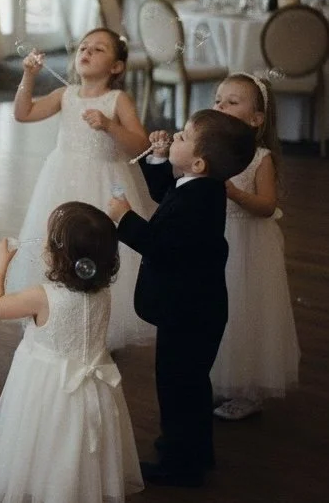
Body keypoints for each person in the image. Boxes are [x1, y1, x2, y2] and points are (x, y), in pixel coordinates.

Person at [107, 109, 257, 488]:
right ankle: (193, 449)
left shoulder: (200, 202)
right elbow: (164, 192)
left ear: (199, 162)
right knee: (188, 384)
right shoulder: (198, 186)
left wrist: (124, 218)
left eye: (183, 137)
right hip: (194, 309)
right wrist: (159, 158)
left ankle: (180, 465)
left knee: (177, 387)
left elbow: (161, 246)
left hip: (189, 313)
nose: (173, 135)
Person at [0, 202, 144, 503]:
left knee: (46, 442)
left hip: (47, 389)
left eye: (49, 239)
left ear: (60, 256)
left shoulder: (42, 297)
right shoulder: (102, 293)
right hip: (92, 388)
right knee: (79, 448)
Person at [7, 28, 156, 350]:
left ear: (116, 67)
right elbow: (23, 113)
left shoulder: (118, 99)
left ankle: (103, 323)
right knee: (58, 242)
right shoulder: (66, 94)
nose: (87, 52)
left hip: (103, 183)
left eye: (98, 49)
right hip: (62, 179)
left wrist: (109, 125)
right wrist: (29, 76)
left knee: (99, 246)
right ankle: (57, 311)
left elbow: (141, 145)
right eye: (84, 47)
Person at [210, 73, 300, 420]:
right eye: (218, 100)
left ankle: (247, 388)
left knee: (243, 309)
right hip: (214, 239)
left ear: (256, 119)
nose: (221, 106)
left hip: (247, 244)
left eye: (233, 102)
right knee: (215, 308)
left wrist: (235, 193)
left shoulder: (259, 157)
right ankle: (216, 375)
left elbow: (266, 206)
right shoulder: (208, 148)